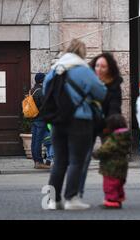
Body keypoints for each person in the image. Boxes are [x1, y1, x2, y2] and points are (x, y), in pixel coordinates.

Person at [43, 39, 107, 210]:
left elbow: (45, 92)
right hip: (79, 120)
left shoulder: (55, 70)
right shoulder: (82, 70)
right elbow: (100, 93)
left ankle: (52, 200)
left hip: (58, 121)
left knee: (59, 161)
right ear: (82, 53)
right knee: (76, 161)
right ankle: (71, 199)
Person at [79, 52, 123, 198]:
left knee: (109, 159)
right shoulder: (89, 81)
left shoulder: (115, 84)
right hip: (88, 124)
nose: (99, 69)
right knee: (83, 159)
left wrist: (111, 124)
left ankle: (112, 194)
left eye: (103, 66)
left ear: (109, 68)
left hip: (106, 125)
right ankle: (77, 193)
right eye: (97, 65)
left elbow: (115, 105)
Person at [93, 114, 131, 209]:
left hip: (111, 168)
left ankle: (112, 201)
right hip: (122, 168)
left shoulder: (114, 138)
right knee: (118, 185)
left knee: (110, 185)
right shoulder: (125, 137)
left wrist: (95, 153)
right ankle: (118, 199)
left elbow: (105, 150)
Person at [30, 72, 51, 169]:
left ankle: (36, 161)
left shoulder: (33, 90)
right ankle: (39, 162)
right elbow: (45, 107)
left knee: (34, 141)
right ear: (42, 80)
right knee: (38, 141)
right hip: (41, 119)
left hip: (34, 118)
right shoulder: (41, 91)